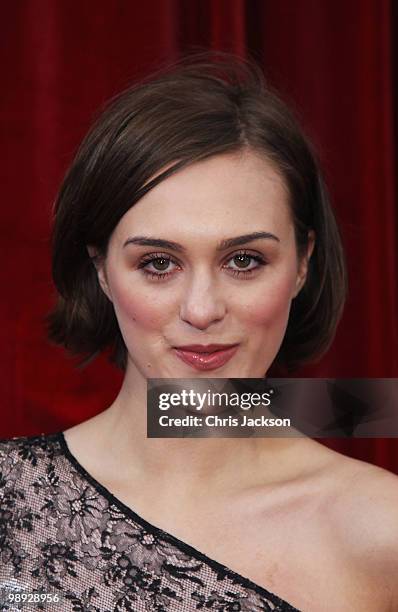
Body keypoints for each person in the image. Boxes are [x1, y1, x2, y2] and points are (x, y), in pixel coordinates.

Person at [1, 51, 397, 612]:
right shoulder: (7, 498)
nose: (203, 309)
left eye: (244, 260)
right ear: (100, 269)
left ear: (303, 263)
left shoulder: (382, 533)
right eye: (158, 263)